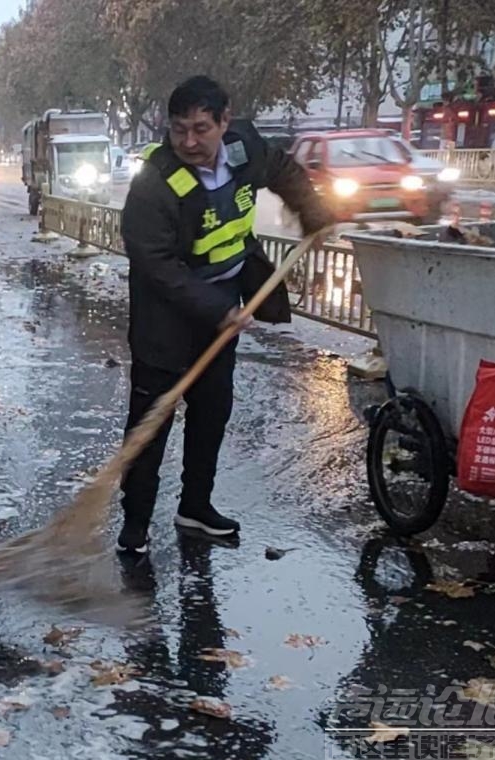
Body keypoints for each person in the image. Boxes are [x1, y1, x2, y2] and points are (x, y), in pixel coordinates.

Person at [116, 75, 334, 556]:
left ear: (224, 122)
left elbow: (285, 171)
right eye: (178, 130)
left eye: (200, 128)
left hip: (224, 308)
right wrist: (217, 309)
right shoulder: (154, 182)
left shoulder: (243, 148)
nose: (189, 142)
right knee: (151, 425)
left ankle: (196, 506)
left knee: (212, 413)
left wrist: (312, 213)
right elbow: (156, 265)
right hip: (166, 321)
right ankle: (135, 524)